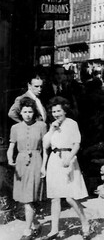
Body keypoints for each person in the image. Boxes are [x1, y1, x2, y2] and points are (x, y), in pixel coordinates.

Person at [42, 96, 90, 239]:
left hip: (69, 158)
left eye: (59, 111)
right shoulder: (52, 126)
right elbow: (45, 146)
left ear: (65, 111)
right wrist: (51, 130)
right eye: (53, 111)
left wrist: (69, 158)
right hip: (54, 160)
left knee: (70, 197)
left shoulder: (72, 124)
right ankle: (54, 229)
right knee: (55, 197)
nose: (56, 114)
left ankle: (85, 223)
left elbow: (76, 144)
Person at [7, 97, 47, 239]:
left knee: (29, 198)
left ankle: (27, 230)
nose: (28, 114)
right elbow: (11, 146)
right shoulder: (15, 128)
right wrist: (10, 158)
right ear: (21, 113)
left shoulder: (41, 125)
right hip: (21, 163)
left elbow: (45, 148)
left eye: (30, 111)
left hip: (36, 161)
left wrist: (44, 166)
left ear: (34, 112)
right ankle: (35, 224)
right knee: (24, 198)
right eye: (25, 112)